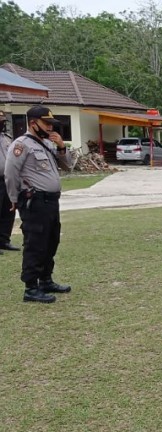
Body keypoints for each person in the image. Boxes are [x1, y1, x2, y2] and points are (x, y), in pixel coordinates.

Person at [4, 106, 73, 303]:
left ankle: (46, 280)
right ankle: (31, 288)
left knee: (51, 242)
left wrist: (61, 146)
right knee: (35, 244)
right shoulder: (21, 144)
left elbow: (67, 166)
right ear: (33, 123)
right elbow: (11, 174)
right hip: (34, 201)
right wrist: (14, 199)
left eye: (52, 124)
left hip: (51, 202)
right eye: (46, 123)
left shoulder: (48, 144)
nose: (50, 127)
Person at [0, 110, 20, 253]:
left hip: (7, 180)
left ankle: (4, 240)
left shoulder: (7, 138)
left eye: (2, 121)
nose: (1, 123)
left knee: (9, 210)